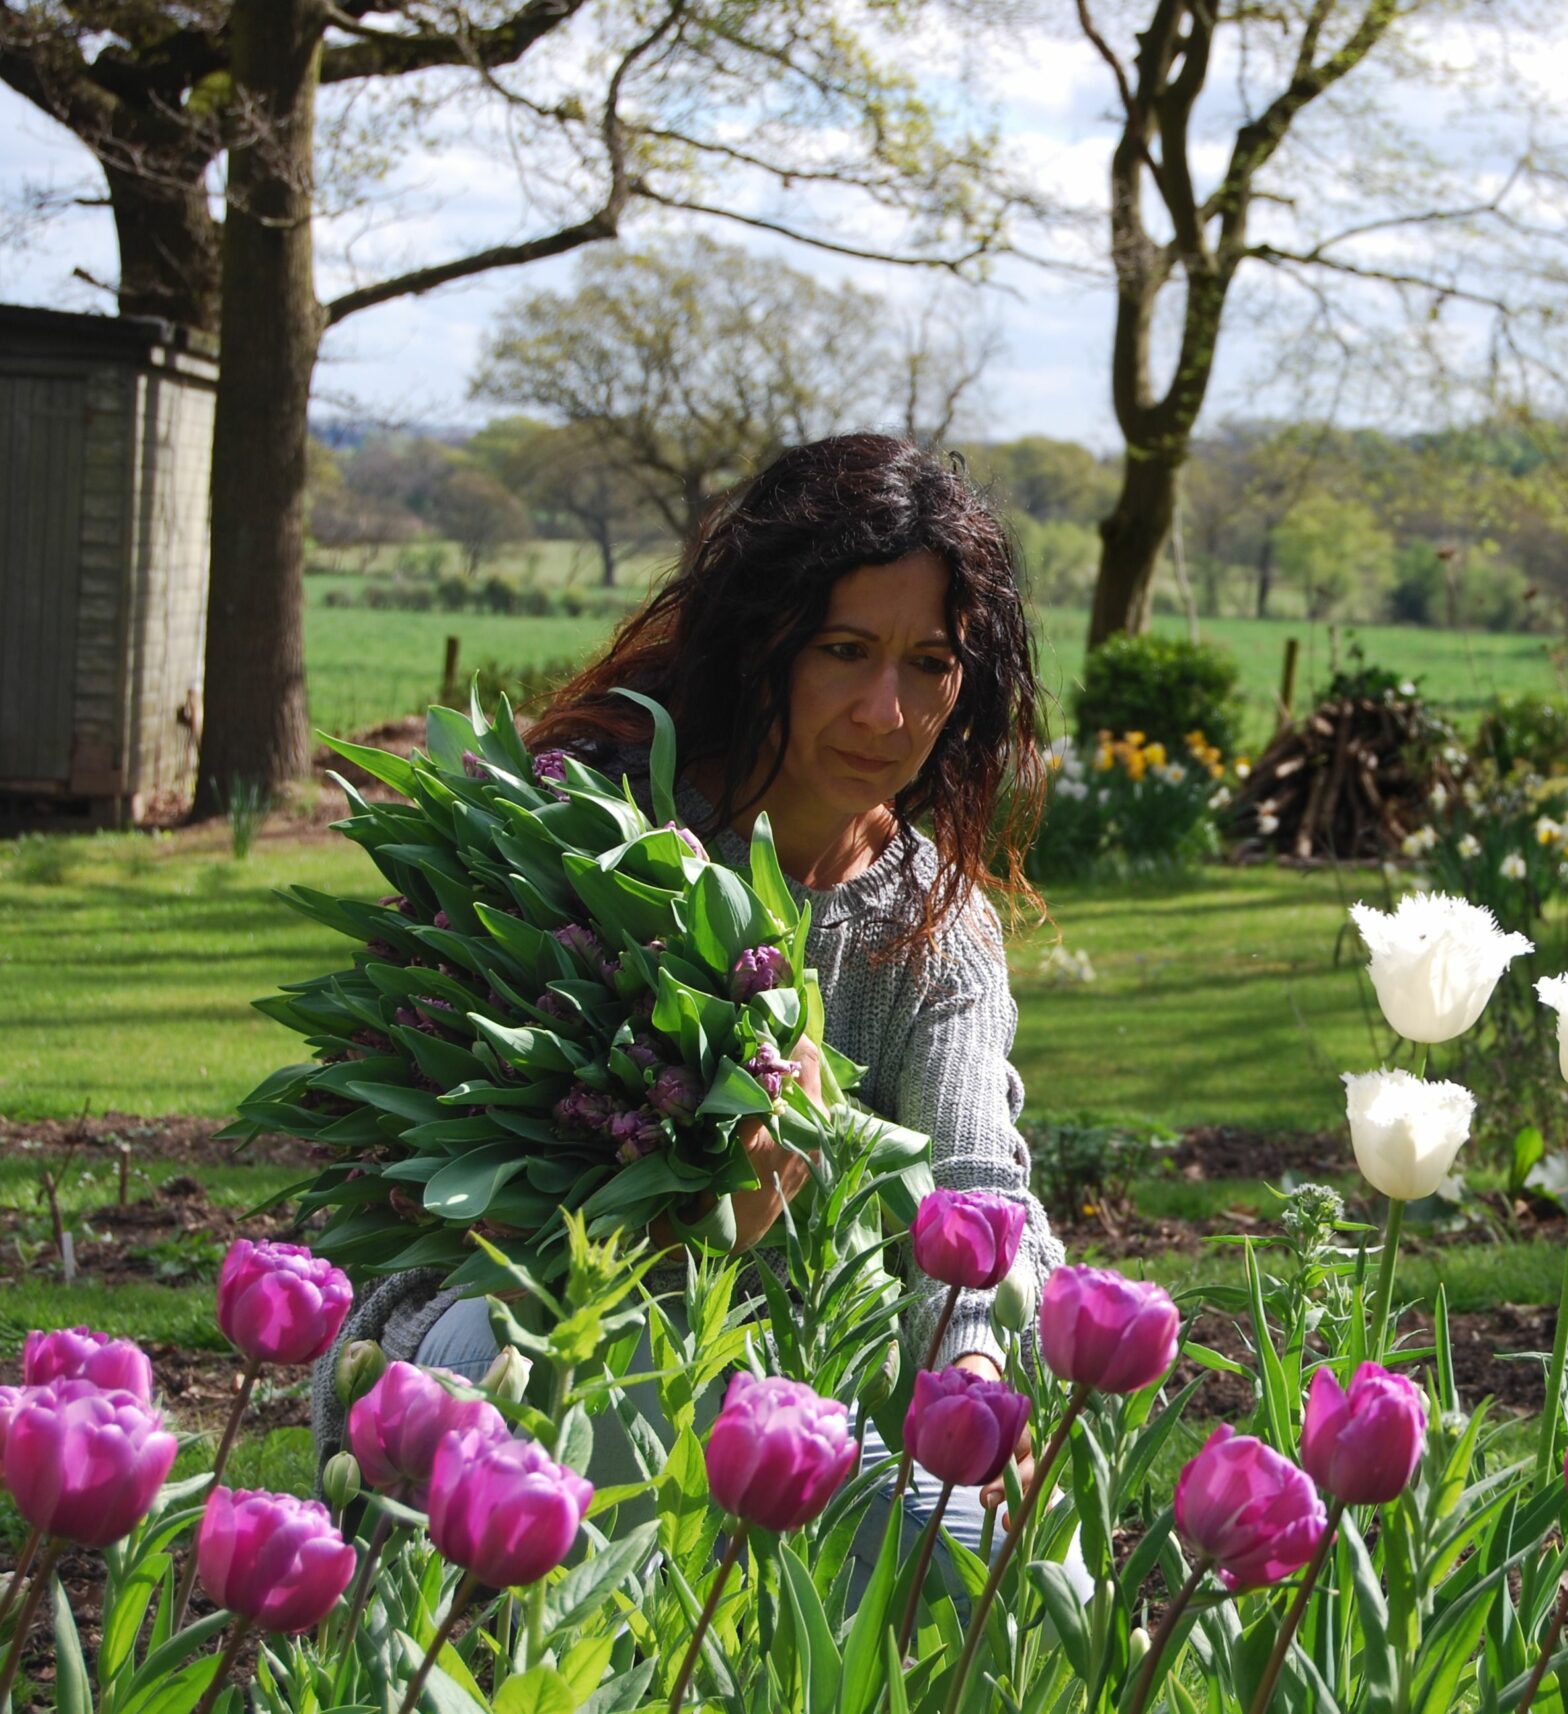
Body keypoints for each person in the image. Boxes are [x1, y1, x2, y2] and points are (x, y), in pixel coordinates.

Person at [310, 433, 1064, 1595]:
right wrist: (698, 1204)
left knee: (999, 1561)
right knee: (577, 1377)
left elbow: (976, 1189)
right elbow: (434, 1169)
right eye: (846, 650)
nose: (887, 709)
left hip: (796, 1375)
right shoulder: (596, 832)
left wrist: (969, 1358)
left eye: (929, 662)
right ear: (763, 642)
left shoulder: (934, 926)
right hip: (512, 1326)